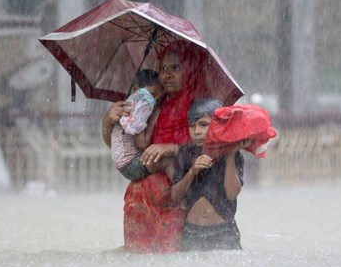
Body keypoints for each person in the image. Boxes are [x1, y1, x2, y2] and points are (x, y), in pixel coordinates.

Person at [102, 40, 210, 253]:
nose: (168, 74)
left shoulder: (198, 107)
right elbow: (123, 148)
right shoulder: (149, 103)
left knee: (171, 264)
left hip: (178, 199)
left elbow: (208, 149)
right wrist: (108, 122)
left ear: (189, 72)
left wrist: (172, 148)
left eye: (176, 68)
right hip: (140, 200)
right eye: (163, 69)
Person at [171, 99, 251, 251]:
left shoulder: (233, 153)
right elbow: (175, 196)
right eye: (192, 126)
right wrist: (192, 171)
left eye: (203, 125)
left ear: (218, 126)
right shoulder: (185, 153)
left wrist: (230, 155)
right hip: (191, 232)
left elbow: (232, 193)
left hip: (223, 233)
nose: (197, 131)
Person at [110, 69, 172, 181]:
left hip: (123, 164)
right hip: (131, 164)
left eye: (159, 98)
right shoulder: (137, 111)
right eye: (153, 95)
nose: (155, 101)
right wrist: (154, 117)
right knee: (168, 162)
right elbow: (142, 143)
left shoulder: (128, 105)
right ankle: (179, 188)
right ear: (135, 90)